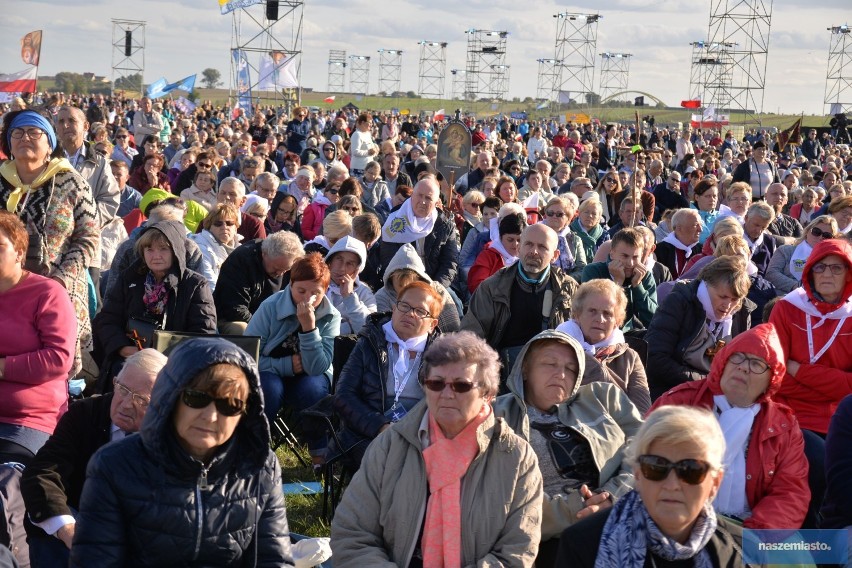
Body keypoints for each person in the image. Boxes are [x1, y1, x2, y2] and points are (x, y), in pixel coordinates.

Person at [70, 338, 295, 566]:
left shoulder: (260, 465)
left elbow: (273, 559)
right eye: (197, 398)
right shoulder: (114, 465)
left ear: (244, 413)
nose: (211, 416)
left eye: (230, 405)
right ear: (171, 398)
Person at [331, 331, 543, 567]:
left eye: (461, 386)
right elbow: (352, 534)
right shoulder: (390, 445)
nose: (446, 394)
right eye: (436, 383)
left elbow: (517, 552)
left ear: (488, 395)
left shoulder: (516, 457)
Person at [494, 330, 643, 566]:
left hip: (620, 517)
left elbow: (644, 448)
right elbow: (497, 496)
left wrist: (613, 497)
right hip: (544, 539)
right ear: (525, 368)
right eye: (549, 363)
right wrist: (577, 510)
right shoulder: (495, 415)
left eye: (571, 368)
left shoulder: (603, 397)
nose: (561, 374)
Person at [651, 324, 809, 529]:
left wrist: (753, 537)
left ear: (772, 380)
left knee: (799, 560)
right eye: (738, 357)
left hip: (748, 526)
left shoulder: (783, 426)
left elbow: (790, 493)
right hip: (676, 517)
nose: (743, 366)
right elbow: (644, 459)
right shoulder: (680, 402)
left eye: (756, 363)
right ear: (723, 362)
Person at [21, 349, 168, 566]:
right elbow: (42, 473)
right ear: (115, 382)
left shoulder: (171, 435)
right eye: (123, 389)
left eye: (142, 400)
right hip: (75, 521)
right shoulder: (84, 413)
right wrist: (68, 530)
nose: (127, 403)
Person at [557, 405, 745, 568]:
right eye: (656, 467)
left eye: (691, 470)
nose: (672, 485)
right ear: (637, 474)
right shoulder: (582, 543)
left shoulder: (745, 550)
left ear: (715, 482)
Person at [0, 108, 99, 374]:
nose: (25, 138)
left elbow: (88, 237)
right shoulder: (0, 181)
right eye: (17, 133)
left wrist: (60, 280)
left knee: (51, 368)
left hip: (59, 289)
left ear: (49, 144)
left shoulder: (72, 182)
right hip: (4, 292)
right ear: (9, 143)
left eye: (34, 132)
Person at [768, 238, 852, 528]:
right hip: (789, 414)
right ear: (810, 273)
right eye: (820, 268)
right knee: (810, 472)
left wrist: (799, 370)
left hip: (843, 418)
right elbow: (776, 377)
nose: (827, 274)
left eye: (836, 268)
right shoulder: (786, 309)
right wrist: (834, 381)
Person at [92, 221, 217, 387]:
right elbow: (108, 319)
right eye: (149, 249)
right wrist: (122, 348)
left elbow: (203, 332)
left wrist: (165, 356)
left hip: (174, 362)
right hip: (130, 357)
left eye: (163, 248)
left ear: (175, 251)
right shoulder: (129, 278)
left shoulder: (194, 284)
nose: (155, 255)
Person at [332, 282, 443, 467]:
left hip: (422, 432)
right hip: (369, 432)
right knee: (389, 459)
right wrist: (380, 425)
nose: (410, 313)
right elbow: (343, 395)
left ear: (432, 324)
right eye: (404, 306)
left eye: (420, 311)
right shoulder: (368, 343)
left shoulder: (443, 355)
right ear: (394, 309)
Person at [246, 253, 341, 467]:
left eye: (315, 293)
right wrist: (286, 365)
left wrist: (309, 328)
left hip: (310, 375)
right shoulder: (270, 307)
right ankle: (253, 449)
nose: (307, 299)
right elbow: (247, 354)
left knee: (313, 389)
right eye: (301, 291)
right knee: (267, 388)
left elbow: (319, 366)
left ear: (325, 291)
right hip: (270, 370)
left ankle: (319, 454)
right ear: (290, 285)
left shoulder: (331, 315)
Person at [0, 211, 76, 465]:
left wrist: (3, 367)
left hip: (27, 419)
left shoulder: (47, 293)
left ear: (19, 253)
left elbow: (59, 358)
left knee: (8, 480)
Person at [462, 223, 578, 375]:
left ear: (555, 256)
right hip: (501, 374)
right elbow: (471, 337)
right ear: (518, 248)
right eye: (528, 244)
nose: (534, 252)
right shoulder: (492, 287)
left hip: (554, 373)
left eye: (542, 247)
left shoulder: (569, 290)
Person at [645, 256, 756, 400]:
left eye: (735, 299)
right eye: (722, 296)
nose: (728, 306)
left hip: (717, 392)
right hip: (671, 390)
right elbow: (655, 358)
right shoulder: (678, 302)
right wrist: (704, 382)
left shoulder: (741, 312)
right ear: (707, 286)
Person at [556, 279, 651, 414]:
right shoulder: (556, 347)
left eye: (607, 314)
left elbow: (642, 412)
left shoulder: (630, 357)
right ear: (577, 314)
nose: (599, 319)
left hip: (616, 429)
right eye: (592, 311)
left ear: (617, 321)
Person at [214, 231, 304, 335]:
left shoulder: (295, 266)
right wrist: (266, 327)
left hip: (275, 320)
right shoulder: (241, 260)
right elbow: (235, 308)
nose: (280, 274)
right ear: (264, 254)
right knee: (242, 331)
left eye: (285, 270)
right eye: (276, 269)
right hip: (234, 318)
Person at [379, 176, 459, 289]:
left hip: (435, 285)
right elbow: (387, 259)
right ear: (412, 196)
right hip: (400, 285)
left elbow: (450, 263)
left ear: (436, 202)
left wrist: (436, 287)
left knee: (456, 305)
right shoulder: (394, 220)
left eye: (428, 198)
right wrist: (407, 287)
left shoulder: (444, 225)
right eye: (419, 195)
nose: (423, 201)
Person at [582, 227, 657, 332]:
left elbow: (653, 321)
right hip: (596, 333)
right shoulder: (593, 271)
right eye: (625, 256)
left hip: (628, 335)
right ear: (612, 253)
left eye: (635, 257)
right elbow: (593, 314)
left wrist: (638, 286)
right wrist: (617, 284)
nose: (630, 263)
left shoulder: (644, 276)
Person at [765, 215, 839, 295]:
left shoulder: (833, 261)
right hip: (784, 298)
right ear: (807, 232)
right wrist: (796, 286)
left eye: (827, 236)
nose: (821, 237)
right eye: (816, 232)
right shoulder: (785, 250)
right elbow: (771, 273)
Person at [324, 235, 376, 335]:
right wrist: (348, 327)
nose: (342, 268)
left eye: (350, 263)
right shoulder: (316, 283)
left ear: (357, 269)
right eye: (339, 259)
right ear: (330, 260)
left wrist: (349, 297)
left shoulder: (364, 292)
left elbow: (368, 331)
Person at [468, 212, 526, 293]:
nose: (515, 244)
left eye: (519, 240)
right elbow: (477, 287)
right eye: (510, 240)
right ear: (500, 238)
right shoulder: (487, 256)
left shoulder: (526, 257)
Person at [189, 204, 242, 293]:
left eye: (229, 223)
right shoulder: (200, 247)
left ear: (236, 228)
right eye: (218, 223)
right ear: (209, 227)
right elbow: (210, 285)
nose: (224, 227)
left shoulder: (241, 249)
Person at [544, 195, 587, 282]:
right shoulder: (535, 234)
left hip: (568, 284)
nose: (554, 216)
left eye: (559, 214)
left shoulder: (575, 239)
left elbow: (582, 268)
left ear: (568, 218)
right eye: (550, 213)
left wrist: (564, 280)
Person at [655, 208, 703, 278]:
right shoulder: (660, 251)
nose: (700, 229)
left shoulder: (701, 250)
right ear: (678, 228)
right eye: (695, 225)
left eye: (700, 225)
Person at [571, 196, 610, 261]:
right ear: (579, 213)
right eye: (586, 212)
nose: (590, 216)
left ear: (599, 218)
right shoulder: (570, 232)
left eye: (594, 213)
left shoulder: (604, 235)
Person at [691, 178, 720, 244]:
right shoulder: (687, 216)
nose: (712, 199)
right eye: (708, 196)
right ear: (697, 197)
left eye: (715, 196)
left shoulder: (721, 217)